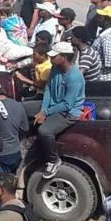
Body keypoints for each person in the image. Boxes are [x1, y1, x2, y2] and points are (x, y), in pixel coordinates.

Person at [34, 41, 85, 179]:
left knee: (44, 131)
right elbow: (49, 90)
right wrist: (44, 109)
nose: (50, 58)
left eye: (54, 56)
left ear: (63, 57)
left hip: (68, 113)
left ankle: (53, 160)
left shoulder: (74, 77)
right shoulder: (55, 69)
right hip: (52, 106)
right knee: (22, 108)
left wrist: (46, 112)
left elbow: (67, 105)